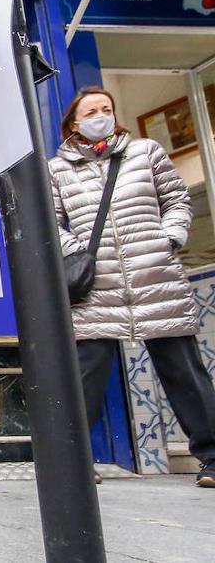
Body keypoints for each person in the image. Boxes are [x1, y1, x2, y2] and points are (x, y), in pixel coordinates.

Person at [50, 87, 215, 489]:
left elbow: (177, 200)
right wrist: (77, 253)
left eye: (106, 109)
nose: (100, 115)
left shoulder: (145, 153)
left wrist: (169, 238)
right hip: (97, 285)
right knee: (85, 376)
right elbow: (51, 223)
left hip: (154, 275)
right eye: (91, 111)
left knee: (184, 372)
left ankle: (212, 457)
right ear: (74, 122)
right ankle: (74, 461)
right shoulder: (58, 170)